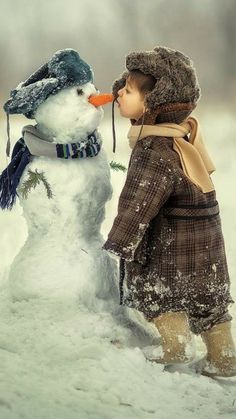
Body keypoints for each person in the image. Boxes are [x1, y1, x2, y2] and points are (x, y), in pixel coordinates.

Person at [103, 46, 236, 377]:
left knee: (164, 298)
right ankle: (225, 357)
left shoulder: (153, 149)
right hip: (207, 247)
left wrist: (118, 244)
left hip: (173, 249)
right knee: (209, 304)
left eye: (128, 90)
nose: (119, 93)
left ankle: (176, 347)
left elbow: (138, 203)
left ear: (154, 103)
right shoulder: (179, 138)